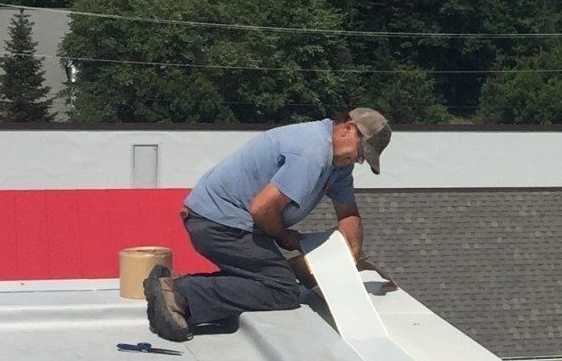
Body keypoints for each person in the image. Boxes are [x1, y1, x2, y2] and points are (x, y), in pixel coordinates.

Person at [143, 107, 391, 341]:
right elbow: (263, 208)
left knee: (269, 276)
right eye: (361, 151)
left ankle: (178, 287)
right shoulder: (313, 153)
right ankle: (179, 293)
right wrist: (285, 238)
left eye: (364, 158)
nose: (358, 160)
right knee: (282, 288)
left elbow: (348, 212)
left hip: (228, 221)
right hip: (219, 224)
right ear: (348, 127)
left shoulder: (337, 162)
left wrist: (351, 255)